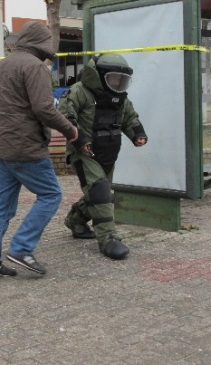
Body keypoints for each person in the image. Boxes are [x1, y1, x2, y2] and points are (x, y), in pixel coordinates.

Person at [0, 21, 78, 277]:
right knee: (51, 195)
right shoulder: (35, 67)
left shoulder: (5, 64)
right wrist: (70, 130)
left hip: (4, 145)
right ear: (42, 43)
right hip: (26, 147)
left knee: (2, 206)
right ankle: (21, 248)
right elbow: (44, 108)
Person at [57, 53, 148, 260]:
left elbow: (129, 118)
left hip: (108, 152)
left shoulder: (121, 100)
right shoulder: (79, 92)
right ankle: (108, 238)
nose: (118, 84)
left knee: (101, 195)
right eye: (114, 79)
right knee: (99, 192)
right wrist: (80, 142)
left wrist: (138, 134)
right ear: (98, 76)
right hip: (84, 152)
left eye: (121, 80)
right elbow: (65, 117)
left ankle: (75, 221)